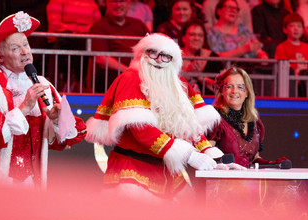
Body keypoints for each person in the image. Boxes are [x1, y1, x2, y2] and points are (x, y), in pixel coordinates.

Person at [85, 33, 243, 200]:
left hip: (167, 172)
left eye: (166, 56)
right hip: (132, 169)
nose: (159, 60)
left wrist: (213, 157)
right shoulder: (130, 79)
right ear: (142, 54)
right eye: (153, 53)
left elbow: (188, 126)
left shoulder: (177, 84)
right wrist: (189, 155)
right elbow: (142, 130)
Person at [0, 12, 86, 188]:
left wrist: (58, 120)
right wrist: (23, 109)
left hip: (32, 187)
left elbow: (66, 139)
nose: (25, 52)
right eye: (15, 48)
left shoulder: (43, 85)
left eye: (26, 45)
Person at [206, 67, 289, 167]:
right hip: (222, 181)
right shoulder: (214, 118)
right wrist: (229, 162)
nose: (234, 91)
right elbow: (207, 158)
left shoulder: (255, 121)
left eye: (240, 87)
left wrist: (274, 164)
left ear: (247, 93)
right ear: (222, 91)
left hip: (249, 181)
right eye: (229, 86)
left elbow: (255, 160)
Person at [87, 0, 149, 93]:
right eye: (114, 1)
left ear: (128, 3)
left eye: (122, 1)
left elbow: (151, 51)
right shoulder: (99, 26)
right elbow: (101, 59)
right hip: (111, 82)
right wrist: (129, 72)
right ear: (107, 3)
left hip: (141, 80)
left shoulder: (139, 25)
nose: (118, 5)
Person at [46, 0, 102, 91]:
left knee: (85, 44)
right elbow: (55, 25)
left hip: (84, 43)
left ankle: (82, 84)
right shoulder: (56, 1)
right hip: (61, 41)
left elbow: (97, 26)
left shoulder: (91, 3)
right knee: (71, 40)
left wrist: (75, 30)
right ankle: (57, 85)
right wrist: (80, 30)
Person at [179, 19, 224, 95]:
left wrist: (201, 77)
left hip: (208, 103)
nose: (196, 38)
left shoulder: (213, 57)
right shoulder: (174, 56)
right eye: (192, 34)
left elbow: (222, 89)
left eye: (200, 35)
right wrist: (188, 74)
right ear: (183, 38)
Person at [275, 13, 308, 97]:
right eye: (292, 26)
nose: (296, 29)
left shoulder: (306, 47)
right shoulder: (281, 47)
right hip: (289, 85)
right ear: (285, 29)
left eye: (299, 26)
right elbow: (282, 68)